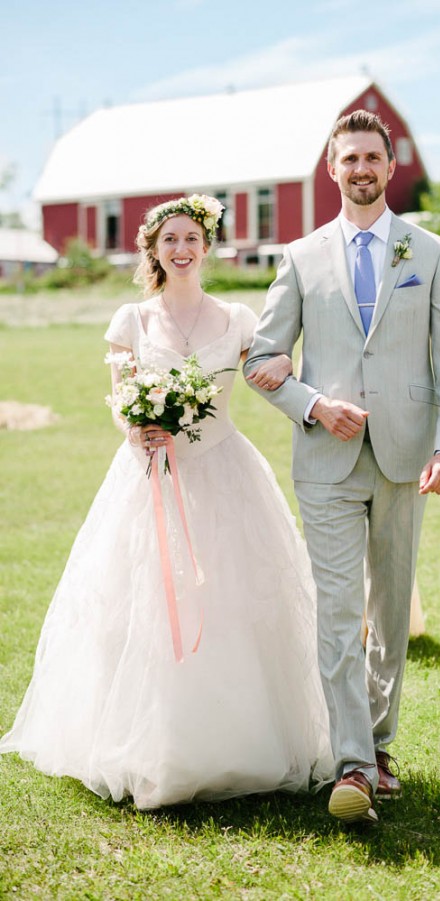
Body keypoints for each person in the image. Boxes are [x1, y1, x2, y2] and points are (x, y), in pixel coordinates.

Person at [0, 194, 334, 809]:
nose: (181, 249)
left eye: (191, 238)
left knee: (232, 600)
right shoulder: (130, 319)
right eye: (169, 239)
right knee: (146, 602)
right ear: (153, 249)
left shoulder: (237, 316)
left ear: (207, 246)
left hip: (225, 471)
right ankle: (152, 744)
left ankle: (239, 741)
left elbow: (269, 371)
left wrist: (289, 363)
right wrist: (140, 428)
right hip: (149, 477)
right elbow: (120, 405)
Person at [245, 111, 440, 825]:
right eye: (349, 158)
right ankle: (352, 763)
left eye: (372, 157)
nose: (361, 169)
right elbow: (260, 361)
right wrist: (313, 404)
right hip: (326, 462)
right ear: (331, 167)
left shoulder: (431, 252)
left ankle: (377, 743)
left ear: (388, 165)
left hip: (408, 459)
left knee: (389, 611)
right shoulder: (300, 255)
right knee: (340, 610)